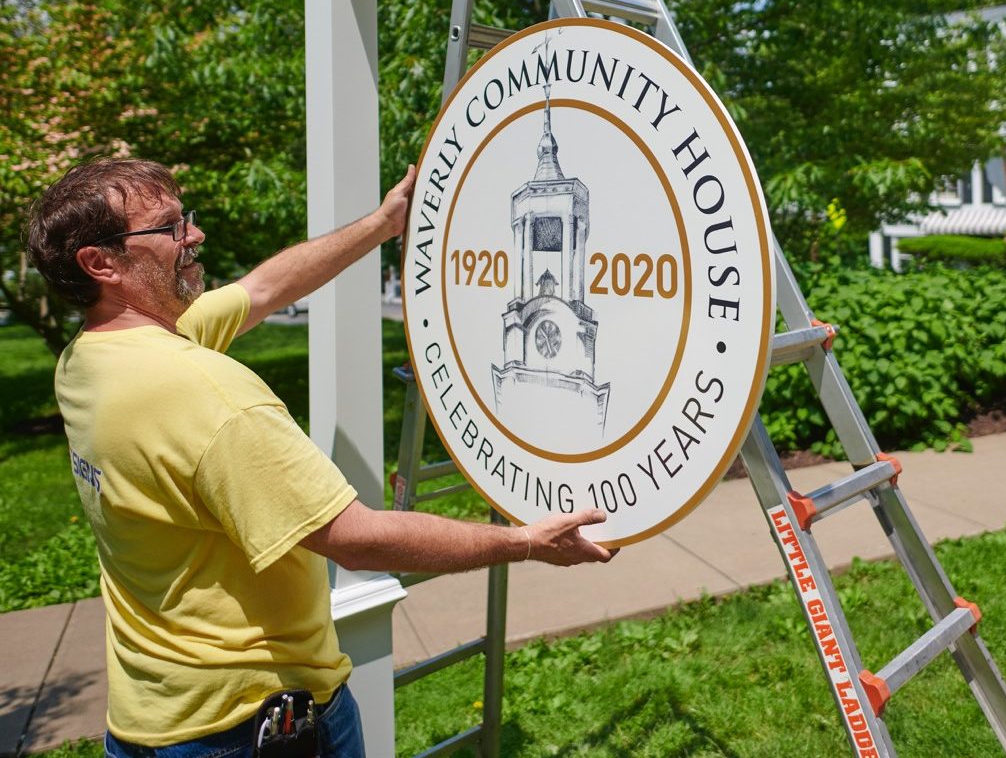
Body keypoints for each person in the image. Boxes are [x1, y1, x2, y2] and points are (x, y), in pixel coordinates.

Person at [25, 157, 615, 758]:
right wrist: (525, 542)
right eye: (170, 227)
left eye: (187, 219)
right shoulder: (208, 396)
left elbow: (262, 289)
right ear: (102, 264)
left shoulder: (89, 360)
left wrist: (385, 222)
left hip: (150, 717)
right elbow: (355, 538)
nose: (195, 235)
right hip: (247, 726)